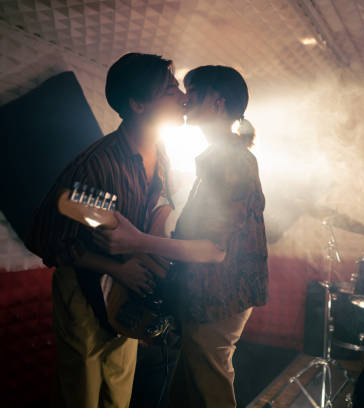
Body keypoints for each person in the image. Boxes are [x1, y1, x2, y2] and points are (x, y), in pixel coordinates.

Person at [25, 53, 224, 408]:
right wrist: (118, 268)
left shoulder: (161, 152)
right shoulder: (96, 165)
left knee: (117, 396)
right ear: (138, 104)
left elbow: (155, 210)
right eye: (169, 88)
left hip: (127, 290)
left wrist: (151, 257)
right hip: (85, 288)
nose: (182, 96)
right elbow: (43, 238)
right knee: (81, 395)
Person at [94, 65, 269, 408]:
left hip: (220, 296)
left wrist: (138, 242)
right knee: (186, 393)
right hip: (212, 293)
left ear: (217, 103)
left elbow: (214, 250)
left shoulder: (232, 162)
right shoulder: (220, 159)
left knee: (210, 392)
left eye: (194, 92)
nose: (185, 100)